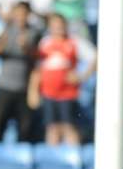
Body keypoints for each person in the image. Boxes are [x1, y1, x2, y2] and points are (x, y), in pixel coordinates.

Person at [32, 12, 93, 146]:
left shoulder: (74, 42)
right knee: (52, 128)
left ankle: (74, 160)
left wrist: (81, 76)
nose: (57, 28)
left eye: (60, 25)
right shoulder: (45, 43)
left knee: (68, 127)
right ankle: (52, 161)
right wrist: (34, 90)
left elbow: (95, 57)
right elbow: (38, 67)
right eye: (54, 25)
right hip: (48, 92)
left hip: (67, 93)